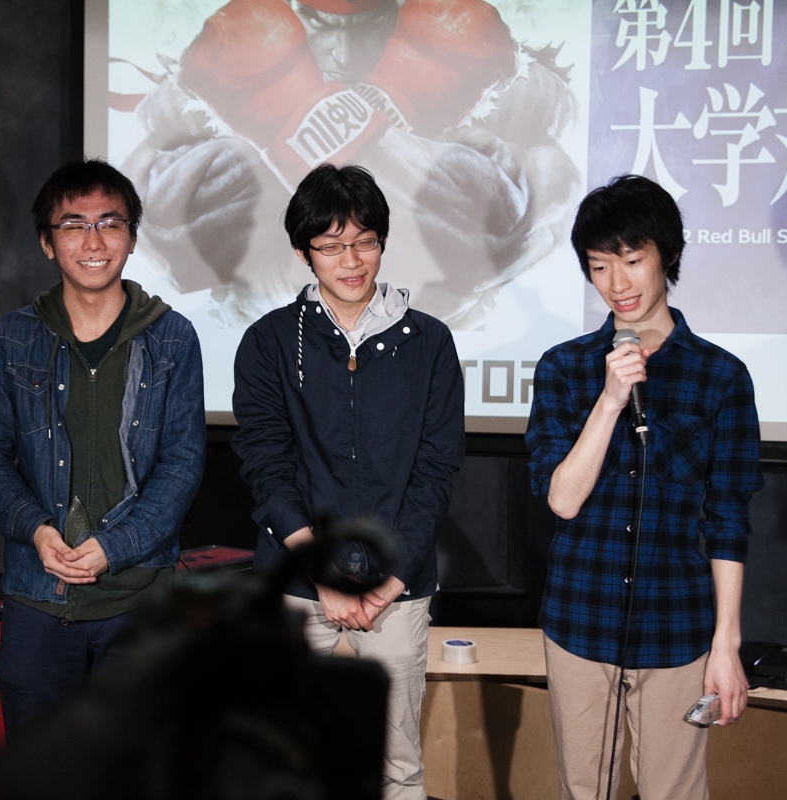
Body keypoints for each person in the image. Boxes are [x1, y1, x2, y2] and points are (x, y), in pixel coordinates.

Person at [120, 0, 577, 326]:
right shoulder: (238, 46)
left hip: (425, 307)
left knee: (505, 204)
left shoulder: (464, 43)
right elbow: (158, 214)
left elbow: (542, 193)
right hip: (273, 302)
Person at [525, 174, 763, 799]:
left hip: (677, 624)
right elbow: (562, 499)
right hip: (581, 617)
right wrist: (609, 401)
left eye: (632, 260)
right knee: (585, 790)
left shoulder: (720, 376)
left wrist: (726, 644)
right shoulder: (564, 367)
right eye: (599, 266)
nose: (617, 283)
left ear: (669, 254)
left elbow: (727, 518)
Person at [231, 163, 464, 800]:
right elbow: (266, 462)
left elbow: (436, 470)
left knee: (397, 769)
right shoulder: (270, 341)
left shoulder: (429, 342)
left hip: (396, 587)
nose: (352, 260)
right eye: (331, 246)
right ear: (304, 252)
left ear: (382, 242)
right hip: (296, 582)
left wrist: (392, 578)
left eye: (365, 242)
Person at [0, 159, 206, 734]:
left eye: (110, 224)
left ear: (132, 238)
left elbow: (184, 461)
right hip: (39, 594)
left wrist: (114, 547)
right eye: (74, 225)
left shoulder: (172, 336)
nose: (93, 242)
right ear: (47, 242)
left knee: (138, 766)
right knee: (40, 768)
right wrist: (36, 529)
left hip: (143, 597)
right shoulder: (14, 335)